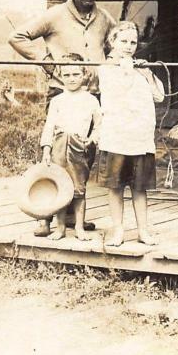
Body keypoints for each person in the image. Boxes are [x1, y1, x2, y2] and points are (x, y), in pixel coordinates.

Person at [8, 0, 115, 237]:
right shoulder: (55, 15)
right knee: (55, 158)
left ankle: (73, 216)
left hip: (93, 97)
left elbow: (118, 43)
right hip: (61, 93)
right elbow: (17, 36)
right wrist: (45, 59)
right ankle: (45, 216)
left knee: (83, 157)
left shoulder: (104, 18)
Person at [97, 21, 165, 247]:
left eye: (133, 42)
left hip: (140, 139)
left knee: (139, 187)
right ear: (112, 42)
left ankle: (143, 230)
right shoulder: (106, 69)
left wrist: (146, 73)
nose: (128, 46)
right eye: (123, 41)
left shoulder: (141, 69)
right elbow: (118, 92)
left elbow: (159, 97)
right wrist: (128, 68)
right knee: (115, 187)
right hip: (116, 137)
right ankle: (118, 230)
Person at [39, 54, 101, 240]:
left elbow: (99, 124)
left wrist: (92, 139)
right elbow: (49, 126)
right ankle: (60, 228)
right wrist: (46, 150)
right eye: (67, 75)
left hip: (80, 147)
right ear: (61, 76)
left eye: (75, 74)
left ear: (84, 75)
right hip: (58, 145)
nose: (71, 78)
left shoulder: (91, 100)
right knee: (61, 186)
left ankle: (80, 227)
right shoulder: (57, 101)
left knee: (78, 188)